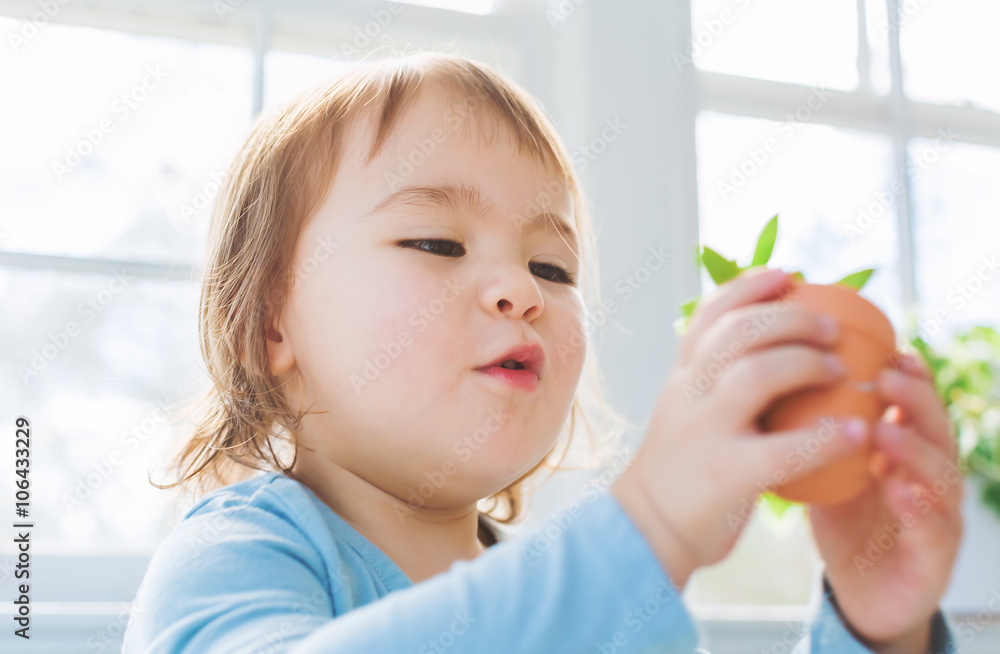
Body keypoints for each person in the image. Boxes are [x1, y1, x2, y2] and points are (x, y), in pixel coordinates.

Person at [122, 52, 961, 653]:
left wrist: (877, 629)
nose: (520, 290)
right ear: (270, 326)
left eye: (551, 266)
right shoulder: (232, 559)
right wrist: (654, 522)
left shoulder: (600, 606)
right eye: (436, 242)